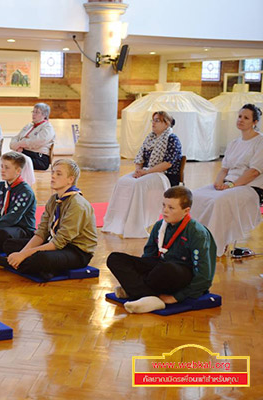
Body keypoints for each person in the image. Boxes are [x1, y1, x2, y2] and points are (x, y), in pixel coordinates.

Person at [106, 186, 217, 314]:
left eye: (171, 208)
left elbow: (204, 276)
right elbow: (148, 257)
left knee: (166, 269)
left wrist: (177, 297)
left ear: (186, 211)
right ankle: (147, 297)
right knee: (115, 259)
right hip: (159, 272)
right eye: (163, 205)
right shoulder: (159, 226)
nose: (165, 211)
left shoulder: (197, 233)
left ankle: (135, 291)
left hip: (179, 274)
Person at [0, 159, 97, 281]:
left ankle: (14, 264)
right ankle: (42, 269)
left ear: (70, 179)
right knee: (10, 244)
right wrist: (22, 253)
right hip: (54, 242)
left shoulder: (77, 205)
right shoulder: (53, 199)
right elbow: (42, 232)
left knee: (41, 258)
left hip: (76, 251)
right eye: (53, 172)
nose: (53, 176)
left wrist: (23, 255)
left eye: (59, 174)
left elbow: (59, 242)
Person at [190, 104, 263, 256]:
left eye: (246, 118)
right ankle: (198, 241)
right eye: (239, 116)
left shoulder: (260, 142)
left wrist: (231, 185)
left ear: (255, 122)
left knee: (219, 201)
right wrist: (218, 182)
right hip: (229, 184)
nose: (241, 120)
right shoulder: (234, 143)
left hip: (250, 187)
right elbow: (224, 169)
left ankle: (216, 245)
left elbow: (254, 171)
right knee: (195, 196)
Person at [102, 111, 182, 238]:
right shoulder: (150, 138)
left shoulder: (172, 139)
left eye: (157, 120)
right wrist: (139, 171)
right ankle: (116, 222)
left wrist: (146, 172)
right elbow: (140, 158)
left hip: (164, 175)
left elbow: (168, 163)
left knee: (138, 185)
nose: (153, 123)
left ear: (166, 124)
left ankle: (135, 225)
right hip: (147, 171)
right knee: (123, 181)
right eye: (153, 120)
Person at [0, 103, 56, 186]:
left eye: (37, 112)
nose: (33, 114)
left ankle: (18, 188)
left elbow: (38, 141)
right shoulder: (29, 126)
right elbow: (15, 138)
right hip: (23, 153)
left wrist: (21, 144)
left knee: (13, 164)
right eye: (33, 111)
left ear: (44, 115)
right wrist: (16, 146)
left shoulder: (48, 128)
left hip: (39, 158)